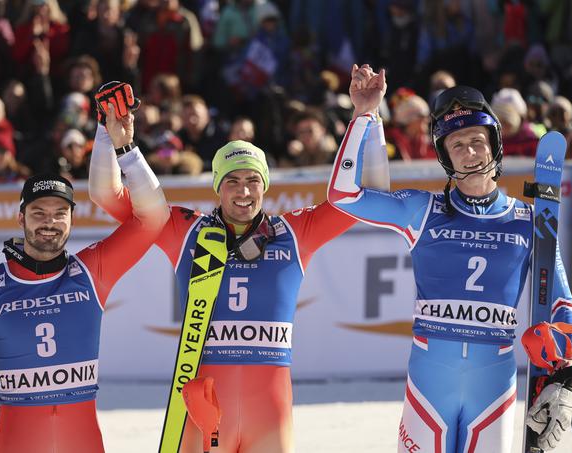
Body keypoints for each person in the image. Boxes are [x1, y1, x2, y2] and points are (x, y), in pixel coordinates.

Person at [88, 79, 389, 452]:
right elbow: (106, 194)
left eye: (252, 181)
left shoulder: (294, 232)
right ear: (217, 186)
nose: (244, 191)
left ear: (265, 186)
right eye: (232, 181)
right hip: (204, 410)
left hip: (269, 415)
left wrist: (368, 116)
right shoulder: (186, 231)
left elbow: (373, 197)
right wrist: (106, 131)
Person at [327, 65, 572, 452]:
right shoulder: (422, 210)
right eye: (457, 145)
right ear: (445, 157)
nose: (470, 152)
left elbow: (566, 314)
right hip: (429, 388)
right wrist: (364, 114)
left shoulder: (530, 222)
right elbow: (342, 195)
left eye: (477, 141)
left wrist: (559, 350)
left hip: (492, 392)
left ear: (494, 144)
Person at [0, 106, 168, 452]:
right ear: (21, 217)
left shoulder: (90, 271)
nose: (49, 222)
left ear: (72, 219)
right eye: (38, 212)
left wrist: (119, 144)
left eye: (59, 213)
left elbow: (153, 218)